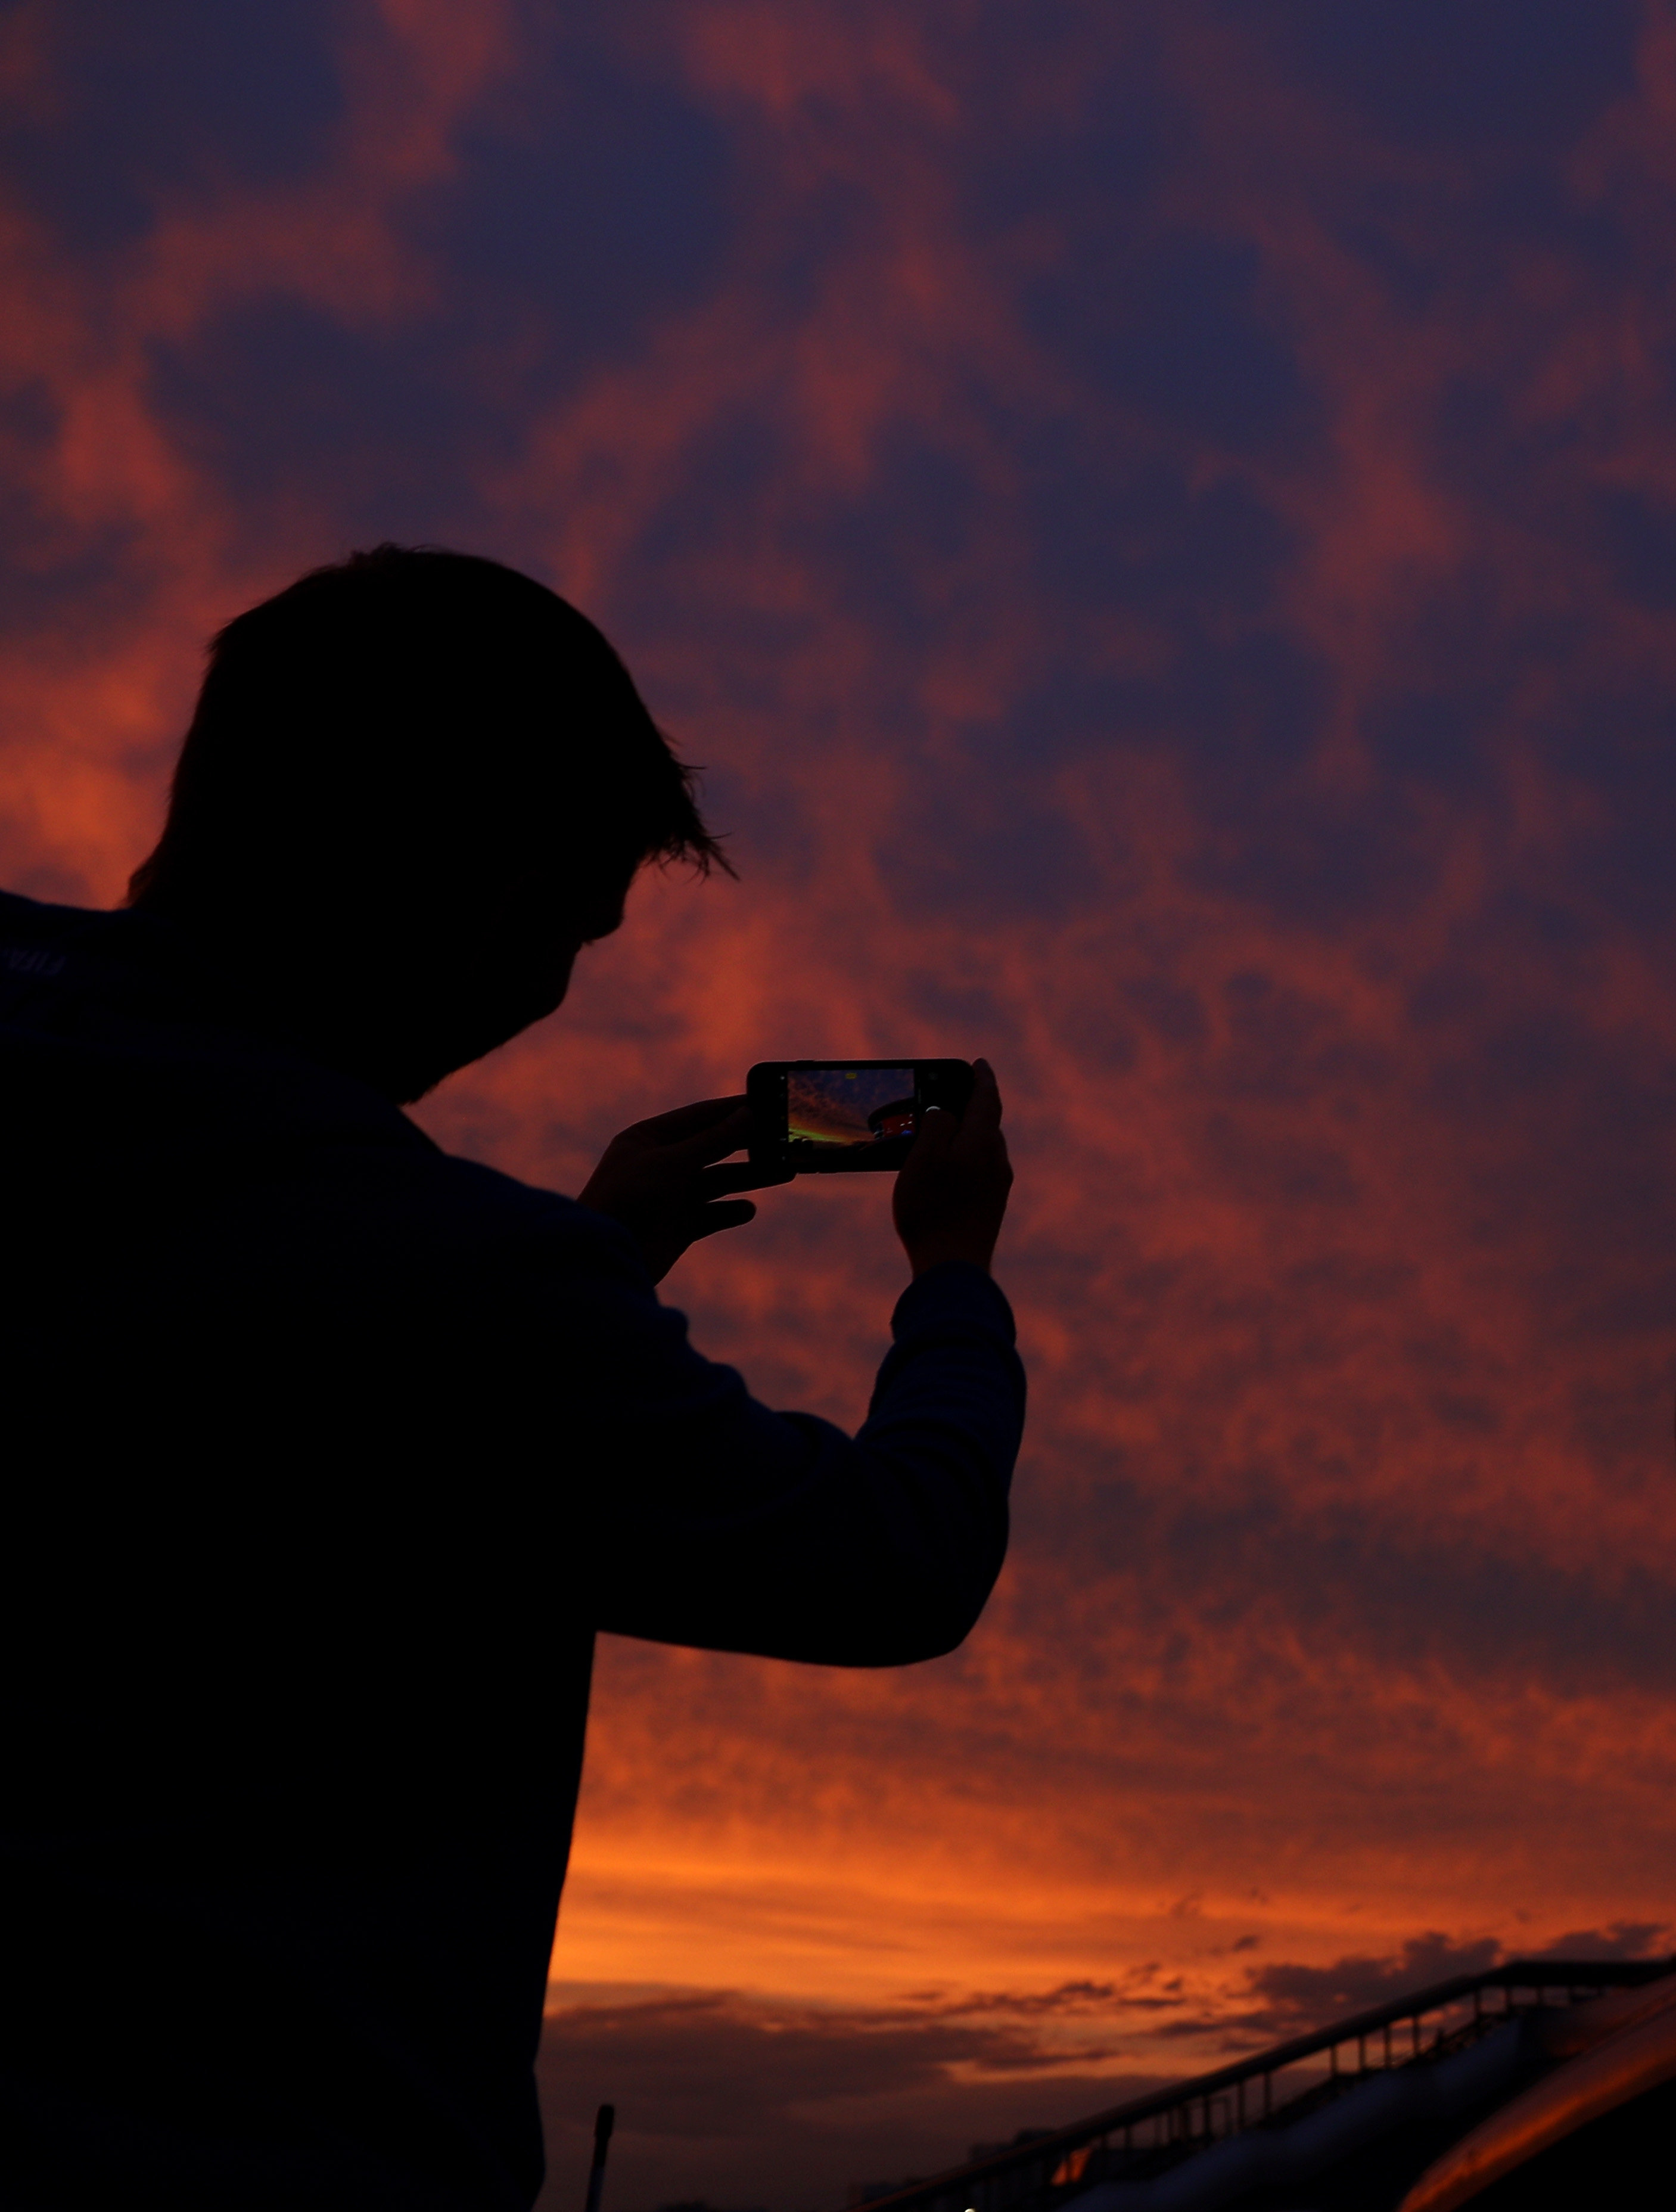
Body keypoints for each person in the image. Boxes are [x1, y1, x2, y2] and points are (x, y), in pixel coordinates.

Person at [0, 546, 1024, 2207]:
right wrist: (954, 1274)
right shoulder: (454, 1288)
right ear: (495, 902)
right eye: (574, 931)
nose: (550, 990)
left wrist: (578, 1268)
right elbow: (897, 1561)